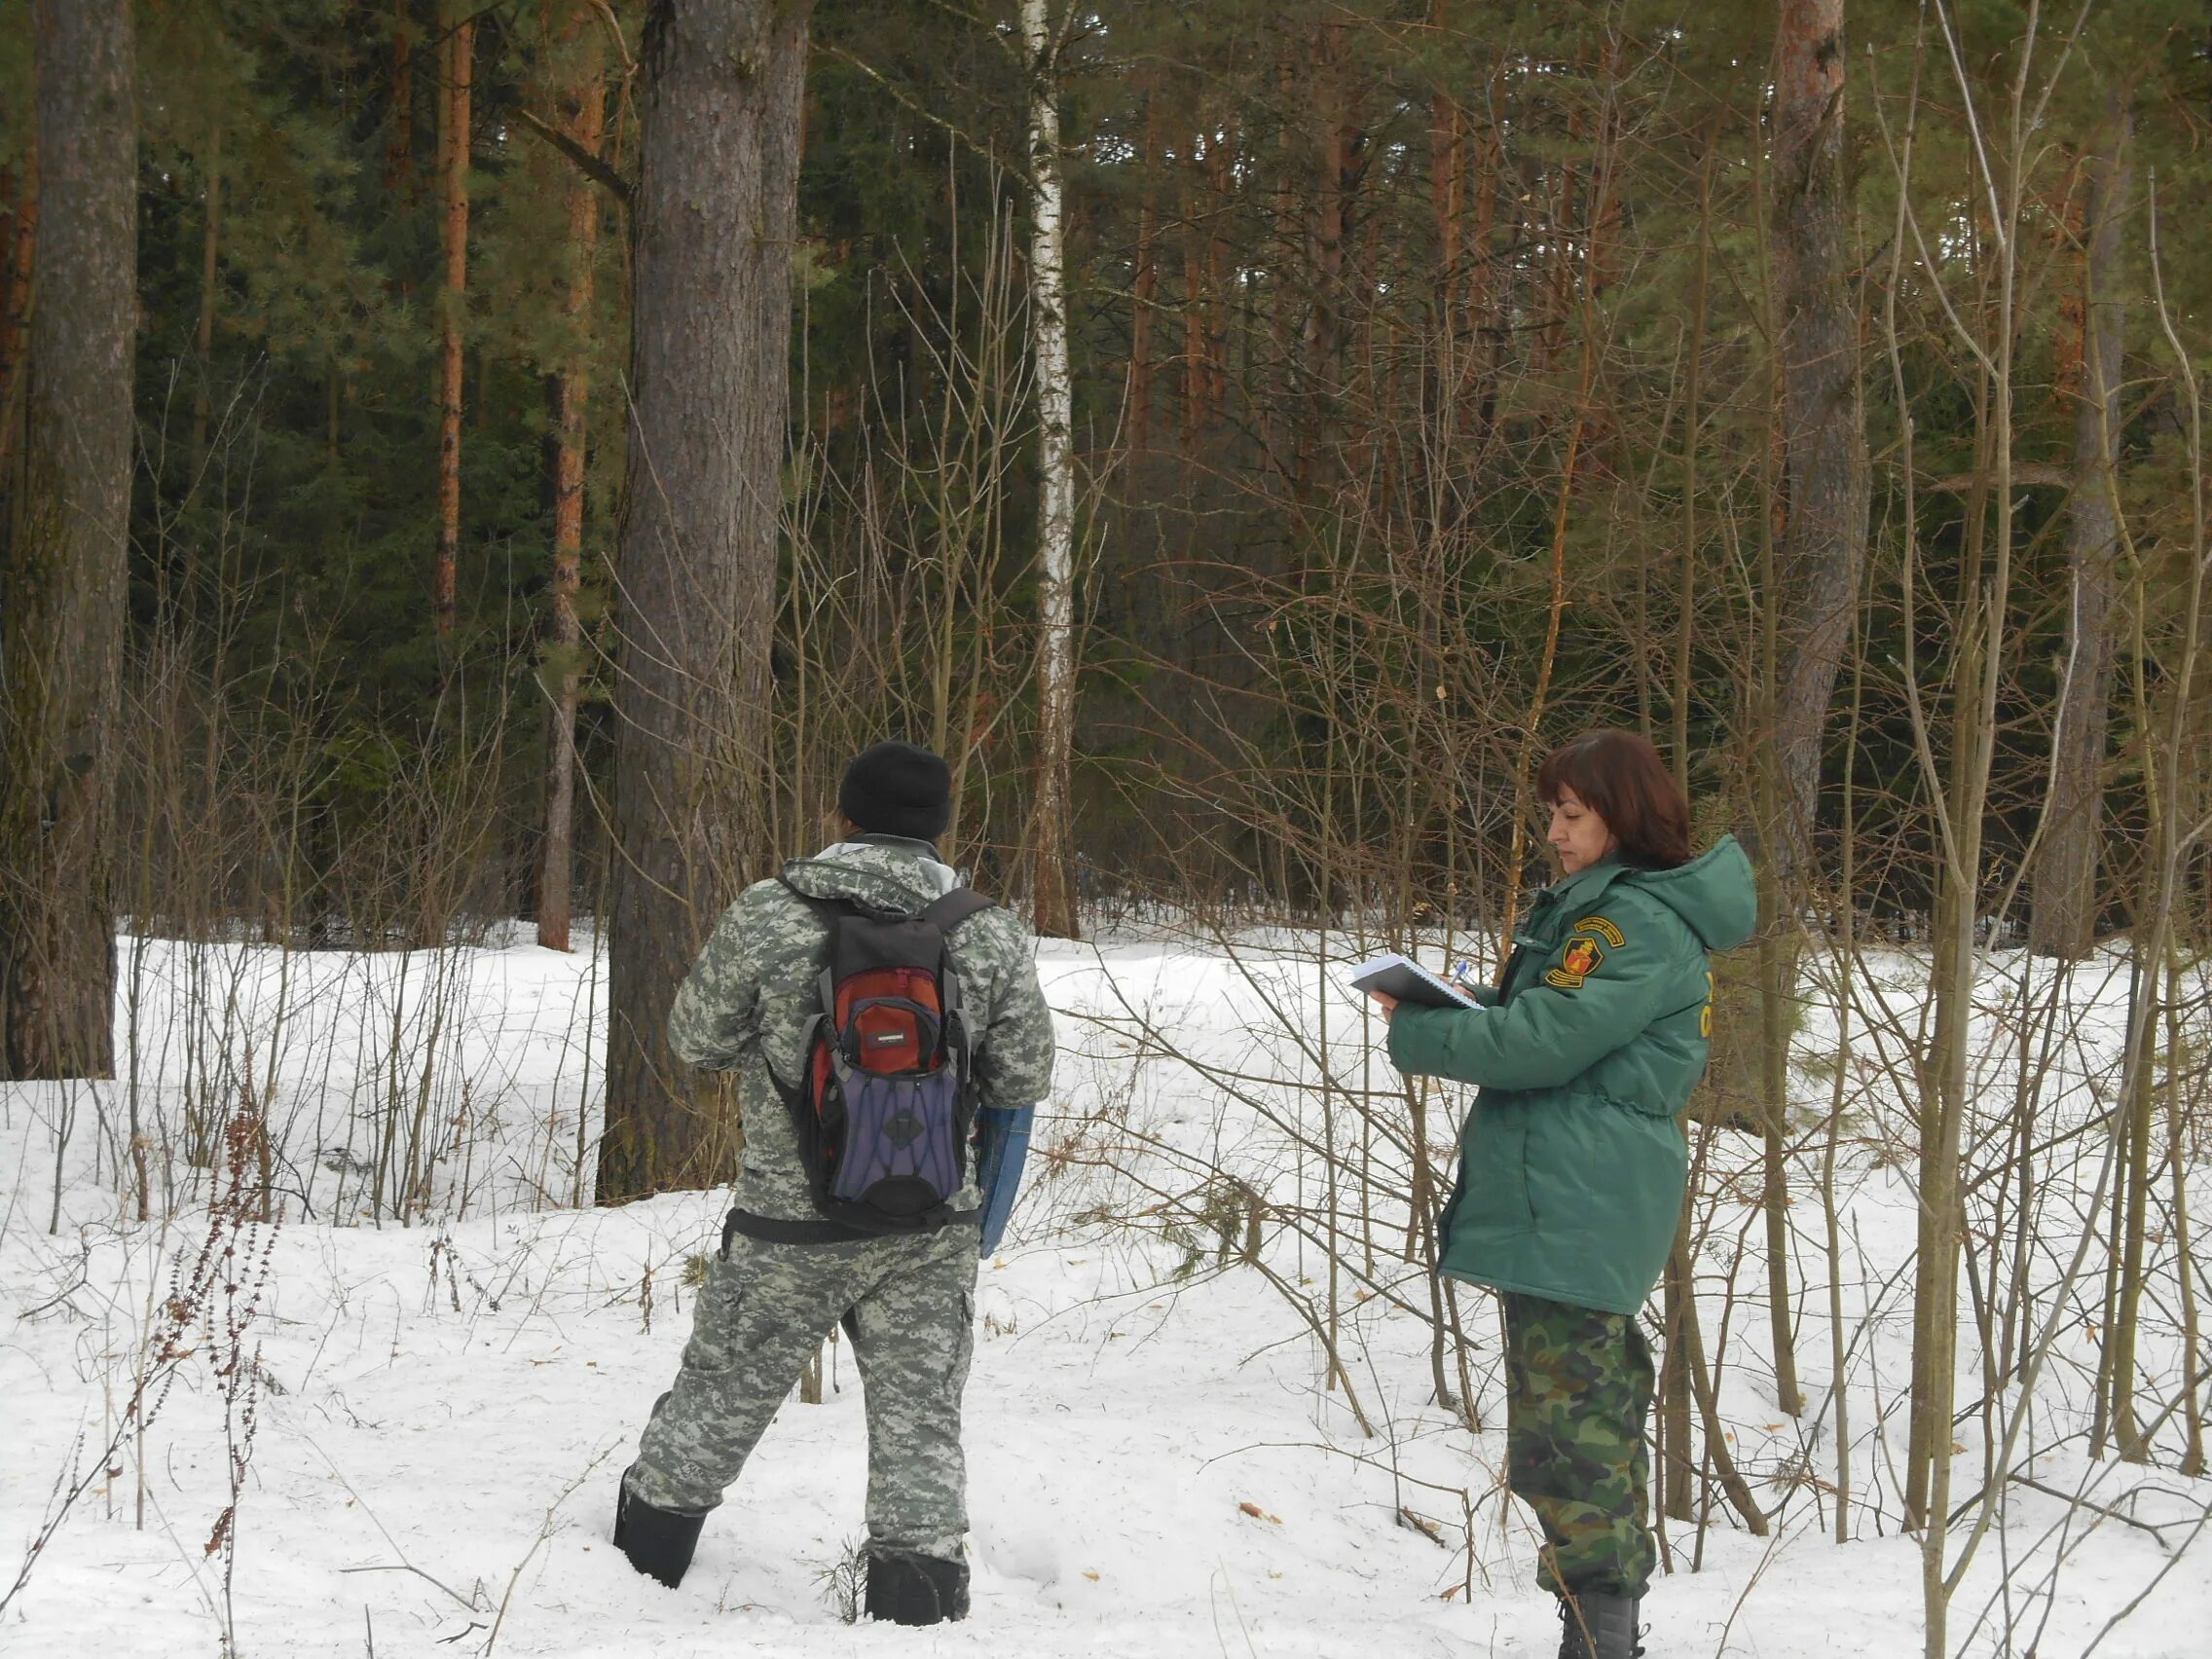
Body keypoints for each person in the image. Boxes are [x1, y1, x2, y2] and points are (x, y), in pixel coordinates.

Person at [612, 741, 1057, 1625]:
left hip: (791, 1223)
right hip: (931, 1226)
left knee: (724, 1394)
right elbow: (1021, 1078)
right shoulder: (989, 929)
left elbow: (695, 1041)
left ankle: (637, 1576)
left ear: (842, 816)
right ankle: (918, 1610)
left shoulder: (770, 913)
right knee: (920, 1424)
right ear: (939, 828)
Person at [1371, 730, 1753, 1659]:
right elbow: (1550, 1026)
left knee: (1572, 1428)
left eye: (1571, 814)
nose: (1554, 831)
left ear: (1620, 817)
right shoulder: (1602, 915)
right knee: (1576, 1419)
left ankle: (1602, 1637)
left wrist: (1425, 1030)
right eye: (1552, 812)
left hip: (1579, 1193)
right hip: (1567, 1188)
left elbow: (1546, 1041)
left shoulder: (1633, 924)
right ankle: (1598, 1629)